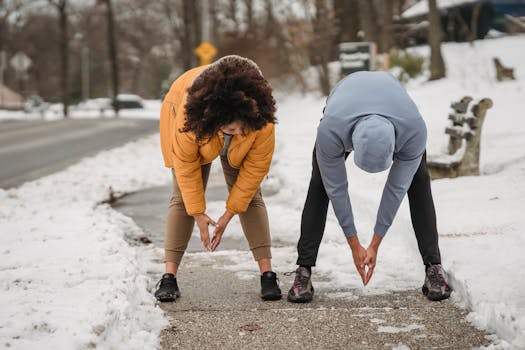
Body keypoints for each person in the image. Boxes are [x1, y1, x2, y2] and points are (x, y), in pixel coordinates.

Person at [287, 71, 452, 303]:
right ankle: (303, 270)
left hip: (396, 104)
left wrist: (374, 243)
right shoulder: (331, 131)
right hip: (344, 99)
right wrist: (355, 244)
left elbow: (396, 189)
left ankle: (434, 267)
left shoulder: (413, 130)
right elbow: (338, 189)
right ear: (351, 142)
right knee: (321, 184)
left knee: (419, 182)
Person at [155, 55, 281, 302]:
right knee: (182, 197)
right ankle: (168, 276)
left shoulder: (260, 121)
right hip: (185, 111)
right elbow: (187, 170)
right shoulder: (189, 119)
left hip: (229, 125)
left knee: (251, 196)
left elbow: (253, 172)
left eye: (244, 128)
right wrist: (198, 213)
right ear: (214, 121)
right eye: (232, 130)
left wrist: (228, 214)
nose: (239, 133)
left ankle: (267, 273)